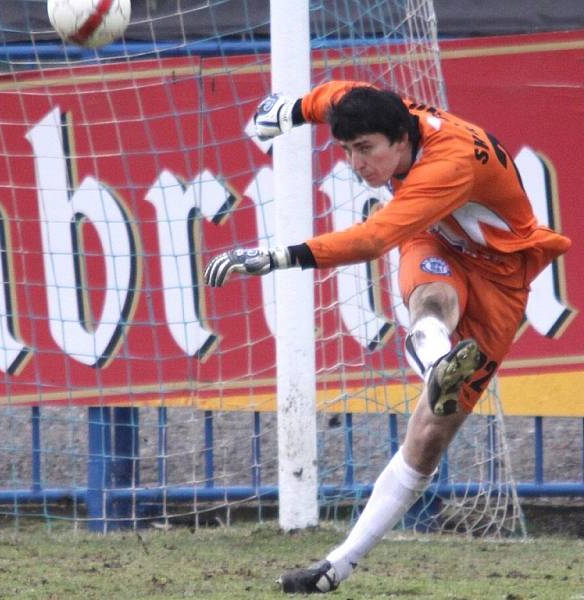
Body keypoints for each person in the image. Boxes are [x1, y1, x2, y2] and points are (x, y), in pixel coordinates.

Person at [203, 81, 571, 594]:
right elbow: (336, 94)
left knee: (427, 439)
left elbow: (374, 239)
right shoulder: (385, 114)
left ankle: (340, 561)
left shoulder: (450, 163)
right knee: (432, 300)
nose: (356, 163)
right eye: (347, 151)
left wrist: (275, 257)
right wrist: (288, 110)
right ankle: (435, 357)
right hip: (438, 237)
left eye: (366, 149)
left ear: (401, 141)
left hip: (500, 276)